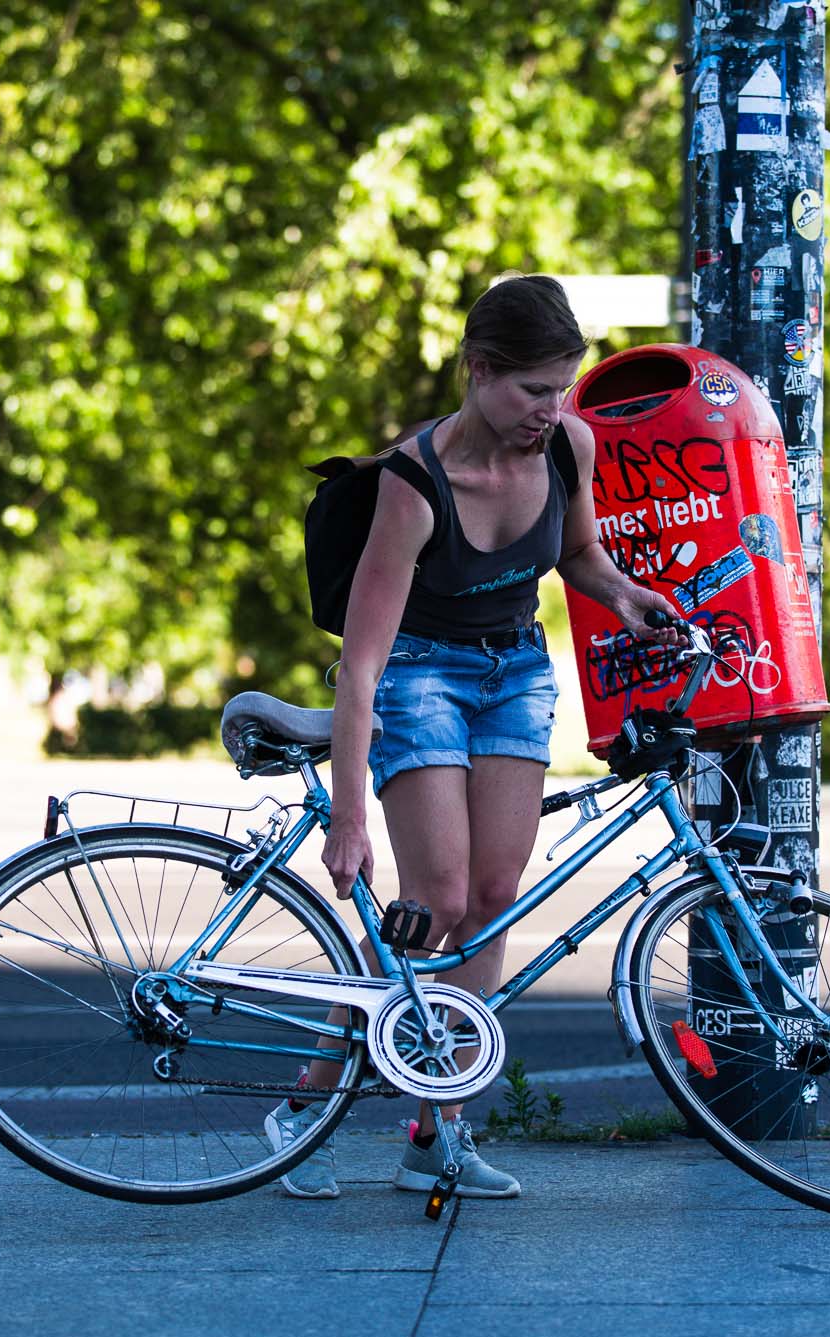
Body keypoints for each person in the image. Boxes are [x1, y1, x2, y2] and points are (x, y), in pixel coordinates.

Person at [264, 276, 679, 1199]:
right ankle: (309, 1112)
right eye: (534, 389)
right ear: (478, 371)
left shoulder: (573, 445)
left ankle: (438, 1132)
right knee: (435, 899)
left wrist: (624, 596)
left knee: (491, 899)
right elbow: (363, 667)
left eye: (562, 386)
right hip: (418, 673)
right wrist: (346, 816)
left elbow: (577, 554)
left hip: (517, 670)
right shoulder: (412, 486)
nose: (552, 408)